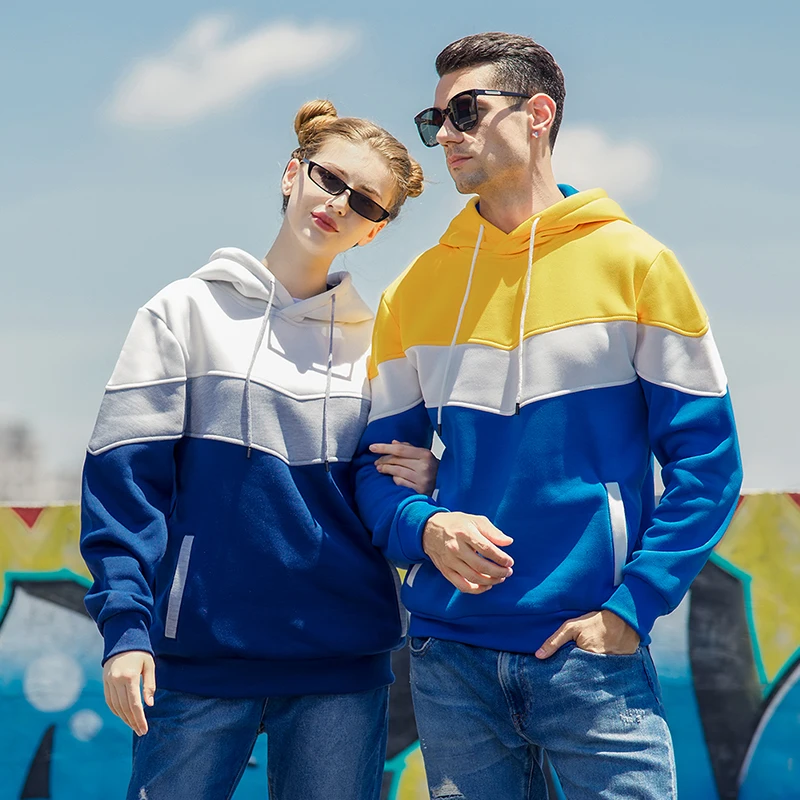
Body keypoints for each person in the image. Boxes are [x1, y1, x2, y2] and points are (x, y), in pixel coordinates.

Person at [355, 32, 743, 799]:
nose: (447, 136)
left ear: (538, 115)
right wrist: (424, 527)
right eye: (435, 121)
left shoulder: (636, 266)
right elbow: (377, 471)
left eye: (466, 111)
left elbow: (708, 466)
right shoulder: (415, 290)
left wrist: (632, 607)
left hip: (592, 654)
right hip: (449, 661)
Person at [80, 99, 436, 800]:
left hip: (342, 664)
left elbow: (390, 492)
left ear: (374, 231)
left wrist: (432, 477)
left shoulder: (380, 344)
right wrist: (125, 628)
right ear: (291, 173)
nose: (339, 204)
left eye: (365, 202)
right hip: (197, 658)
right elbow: (125, 485)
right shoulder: (183, 312)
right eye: (329, 178)